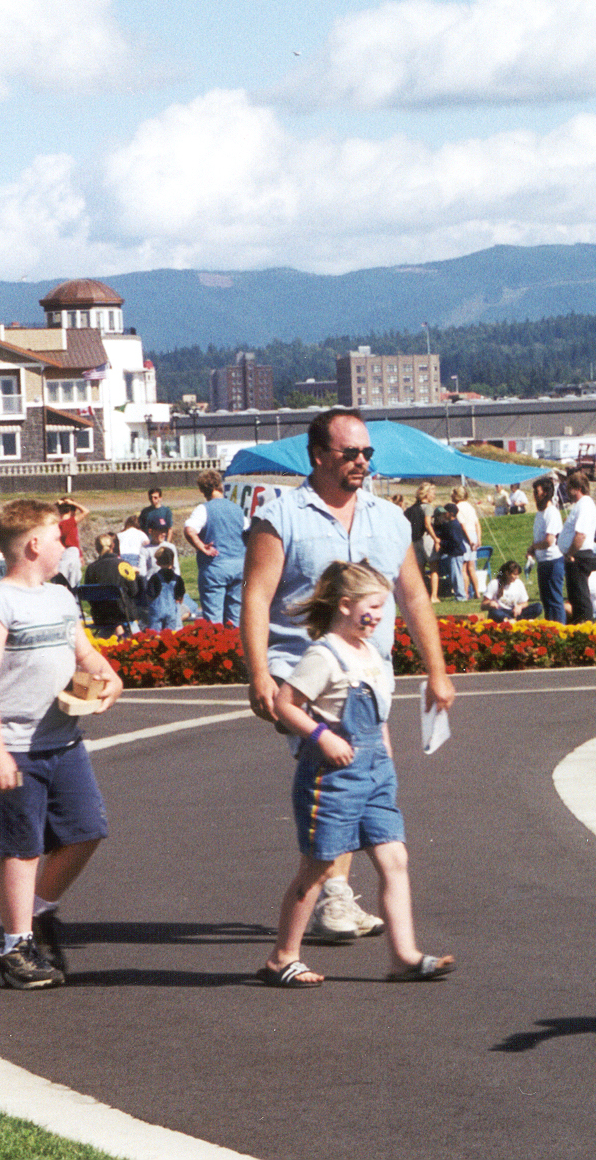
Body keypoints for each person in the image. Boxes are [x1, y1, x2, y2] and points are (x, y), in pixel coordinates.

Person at [241, 408, 456, 943]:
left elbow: (411, 597)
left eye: (367, 454)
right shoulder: (281, 515)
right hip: (306, 673)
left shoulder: (388, 518)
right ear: (318, 456)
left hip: (369, 678)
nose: (362, 462)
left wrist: (437, 670)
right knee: (336, 780)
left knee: (362, 781)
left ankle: (333, 893)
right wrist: (259, 673)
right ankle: (333, 898)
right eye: (350, 454)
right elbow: (257, 597)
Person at [258, 560, 454, 988]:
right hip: (333, 777)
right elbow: (285, 703)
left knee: (395, 857)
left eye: (384, 607)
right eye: (374, 606)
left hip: (375, 775)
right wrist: (321, 736)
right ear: (345, 605)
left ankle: (404, 956)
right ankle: (282, 958)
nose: (380, 616)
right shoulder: (323, 654)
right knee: (318, 866)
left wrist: (385, 758)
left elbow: (377, 715)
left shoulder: (369, 653)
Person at [0, 498, 123, 988]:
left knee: (87, 829)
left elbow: (85, 652)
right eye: (58, 537)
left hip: (63, 741)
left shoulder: (60, 597)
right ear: (34, 545)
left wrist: (106, 675)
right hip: (12, 745)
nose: (64, 544)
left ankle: (36, 912)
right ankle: (15, 949)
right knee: (22, 848)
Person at [183, 470, 245, 626]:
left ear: (203, 490)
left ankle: (217, 648)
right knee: (235, 619)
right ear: (220, 486)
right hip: (239, 566)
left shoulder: (204, 509)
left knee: (213, 620)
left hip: (215, 566)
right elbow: (248, 533)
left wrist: (202, 547)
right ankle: (236, 648)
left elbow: (189, 529)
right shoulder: (237, 509)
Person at [559, 470, 596, 624]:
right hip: (575, 554)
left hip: (578, 555)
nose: (567, 492)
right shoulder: (580, 505)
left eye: (569, 488)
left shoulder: (585, 505)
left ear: (577, 488)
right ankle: (578, 623)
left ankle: (585, 625)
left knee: (580, 595)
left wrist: (570, 553)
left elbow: (580, 535)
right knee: (575, 596)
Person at [82, 533, 141, 636]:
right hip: (122, 615)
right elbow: (134, 591)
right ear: (113, 545)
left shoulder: (90, 569)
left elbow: (89, 597)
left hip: (101, 616)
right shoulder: (123, 565)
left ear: (96, 549)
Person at [529, 475, 566, 624]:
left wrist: (533, 546)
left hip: (553, 561)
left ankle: (560, 629)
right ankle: (550, 629)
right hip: (543, 561)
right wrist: (533, 550)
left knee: (555, 599)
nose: (534, 496)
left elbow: (549, 541)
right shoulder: (540, 514)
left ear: (545, 493)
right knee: (546, 600)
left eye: (536, 492)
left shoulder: (552, 513)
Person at [404, 482, 438, 602]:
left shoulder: (412, 508)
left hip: (415, 540)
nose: (434, 496)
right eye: (433, 493)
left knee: (420, 570)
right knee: (434, 567)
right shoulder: (428, 507)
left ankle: (421, 596)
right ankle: (434, 596)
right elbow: (428, 524)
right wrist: (436, 539)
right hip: (426, 538)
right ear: (427, 494)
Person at [143, 544, 186, 631]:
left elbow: (150, 594)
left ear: (158, 563)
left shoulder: (155, 578)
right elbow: (180, 596)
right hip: (171, 611)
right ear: (172, 561)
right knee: (169, 636)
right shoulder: (177, 578)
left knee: (154, 637)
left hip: (157, 611)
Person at [452, 486, 483, 602]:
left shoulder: (457, 507)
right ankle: (477, 592)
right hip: (474, 534)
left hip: (466, 536)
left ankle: (465, 593)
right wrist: (478, 538)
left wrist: (469, 540)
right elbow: (477, 523)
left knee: (463, 568)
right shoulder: (470, 506)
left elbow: (462, 525)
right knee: (472, 567)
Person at [55, 497, 88, 590]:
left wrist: (57, 504)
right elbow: (86, 511)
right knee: (73, 584)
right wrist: (74, 503)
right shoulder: (70, 522)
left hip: (61, 555)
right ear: (72, 511)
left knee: (61, 584)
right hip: (71, 554)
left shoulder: (57, 524)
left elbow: (75, 540)